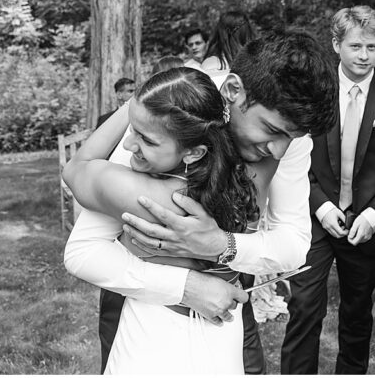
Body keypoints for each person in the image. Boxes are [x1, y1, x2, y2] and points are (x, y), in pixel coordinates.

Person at [64, 30, 337, 374]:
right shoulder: (167, 113)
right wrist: (186, 288)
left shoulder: (284, 135)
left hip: (228, 307)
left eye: (293, 138)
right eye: (272, 131)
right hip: (141, 299)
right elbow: (84, 251)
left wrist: (222, 245)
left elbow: (294, 245)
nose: (279, 152)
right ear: (233, 91)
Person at [63, 67, 265, 373]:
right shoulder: (242, 183)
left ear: (193, 152)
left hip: (152, 340)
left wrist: (133, 101)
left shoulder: (147, 197)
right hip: (223, 339)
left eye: (147, 139)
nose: (129, 145)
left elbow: (76, 168)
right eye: (133, 129)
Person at [280, 6, 375, 374]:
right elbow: (291, 154)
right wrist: (322, 208)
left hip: (368, 225)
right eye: (356, 46)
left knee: (358, 314)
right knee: (304, 309)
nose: (364, 56)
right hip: (314, 220)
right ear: (336, 45)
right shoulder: (313, 89)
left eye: (372, 47)